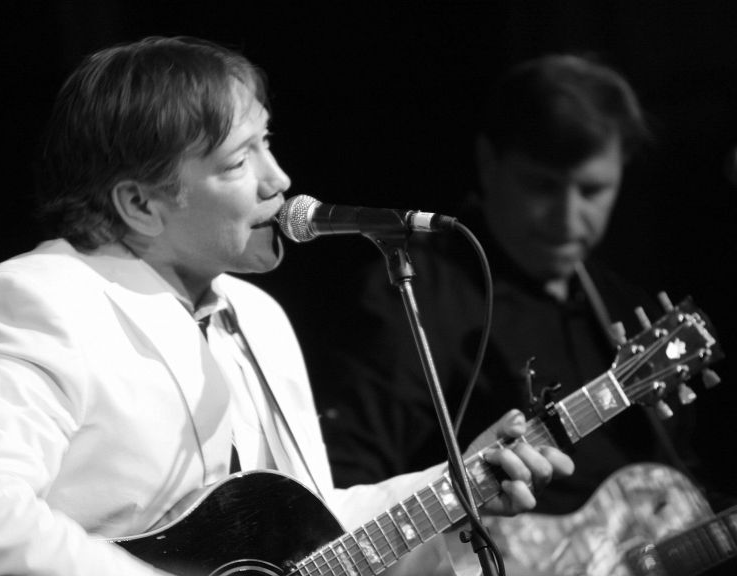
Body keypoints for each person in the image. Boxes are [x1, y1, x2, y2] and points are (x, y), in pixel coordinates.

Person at [0, 36, 573, 576]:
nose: (279, 181)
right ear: (140, 204)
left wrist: (456, 489)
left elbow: (320, 535)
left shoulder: (258, 315)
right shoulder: (40, 299)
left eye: (267, 142)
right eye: (240, 160)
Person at [315, 54, 734, 574]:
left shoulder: (625, 308)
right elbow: (341, 501)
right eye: (542, 186)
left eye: (592, 190)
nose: (567, 217)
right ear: (489, 163)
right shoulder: (411, 294)